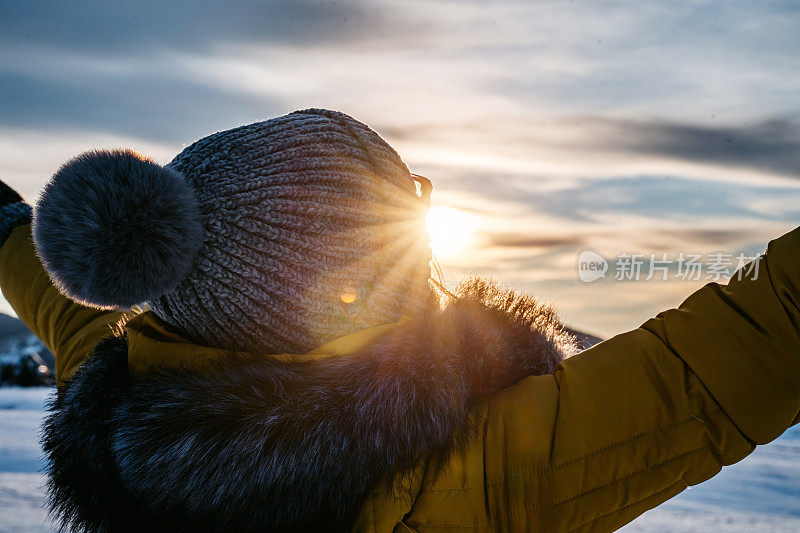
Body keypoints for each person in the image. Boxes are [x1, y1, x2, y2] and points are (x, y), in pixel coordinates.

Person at [0, 108, 797, 532]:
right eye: (404, 202)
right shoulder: (473, 474)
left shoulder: (113, 390)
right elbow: (732, 353)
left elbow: (30, 270)